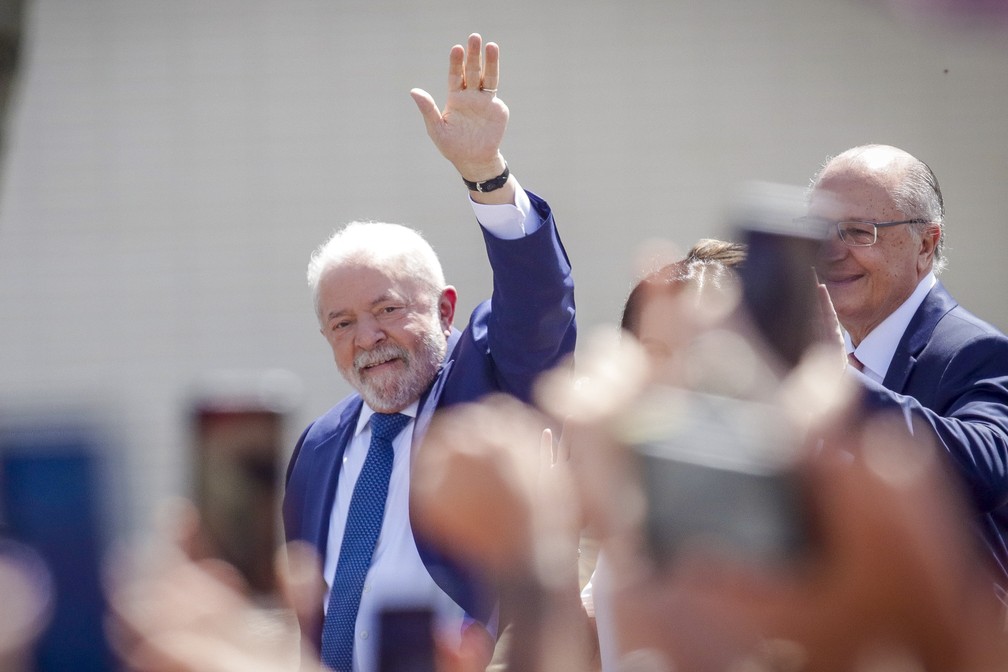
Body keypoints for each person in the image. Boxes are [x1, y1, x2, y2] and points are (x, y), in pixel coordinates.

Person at [281, 33, 576, 672]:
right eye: (343, 323)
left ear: (444, 309)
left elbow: (538, 305)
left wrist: (485, 174)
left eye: (388, 311)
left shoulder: (489, 383)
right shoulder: (316, 447)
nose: (367, 338)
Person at [806, 144, 1008, 591]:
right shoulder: (820, 356)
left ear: (926, 243)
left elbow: (988, 465)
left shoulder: (977, 350)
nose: (831, 252)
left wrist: (840, 385)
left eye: (858, 232)